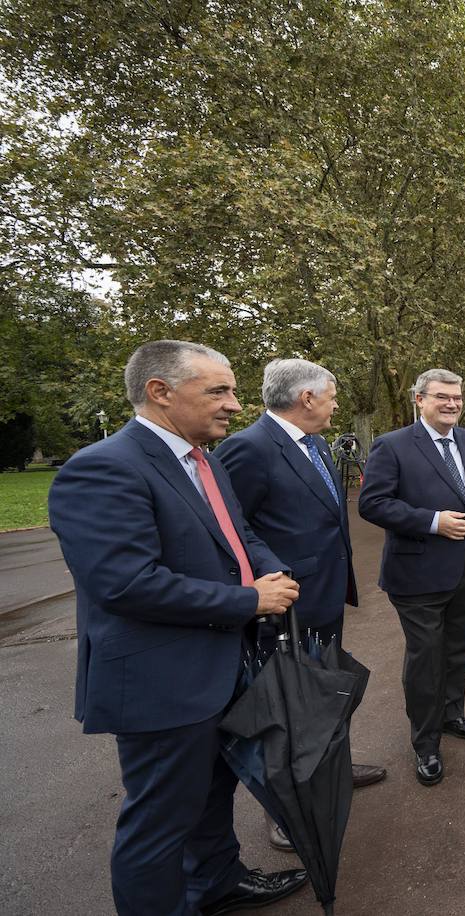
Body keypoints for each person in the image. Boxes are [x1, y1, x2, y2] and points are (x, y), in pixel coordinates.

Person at [47, 340, 308, 915]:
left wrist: (270, 568)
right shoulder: (102, 468)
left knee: (213, 793)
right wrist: (248, 599)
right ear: (159, 392)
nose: (234, 405)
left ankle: (215, 883)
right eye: (218, 390)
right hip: (162, 682)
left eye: (233, 390)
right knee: (159, 824)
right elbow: (126, 584)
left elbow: (237, 535)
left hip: (221, 667)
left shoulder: (203, 458)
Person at [217, 358, 388, 851]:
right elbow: (234, 531)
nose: (337, 405)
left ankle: (330, 768)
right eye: (331, 396)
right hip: (284, 605)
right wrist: (269, 582)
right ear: (307, 398)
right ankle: (284, 804)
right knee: (286, 704)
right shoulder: (247, 449)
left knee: (323, 690)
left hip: (325, 595)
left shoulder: (314, 443)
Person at [357, 369, 465, 787]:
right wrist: (432, 521)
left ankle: (452, 714)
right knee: (425, 659)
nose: (452, 404)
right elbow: (373, 503)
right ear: (419, 399)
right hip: (417, 575)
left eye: (457, 397)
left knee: (459, 650)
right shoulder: (393, 445)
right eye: (442, 397)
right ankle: (426, 743)